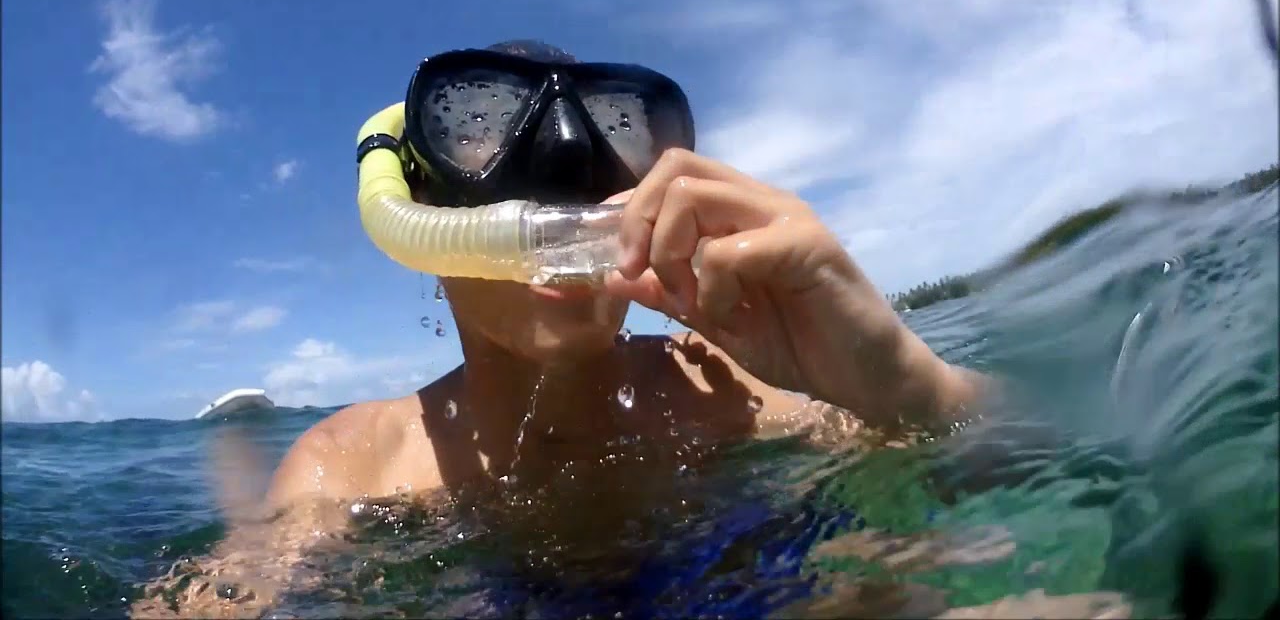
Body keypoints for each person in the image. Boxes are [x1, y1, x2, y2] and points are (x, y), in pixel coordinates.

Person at [224, 39, 991, 617]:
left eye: (623, 136)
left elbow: (1046, 451)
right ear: (421, 219)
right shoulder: (355, 466)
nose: (565, 188)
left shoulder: (744, 390)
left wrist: (905, 384)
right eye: (479, 124)